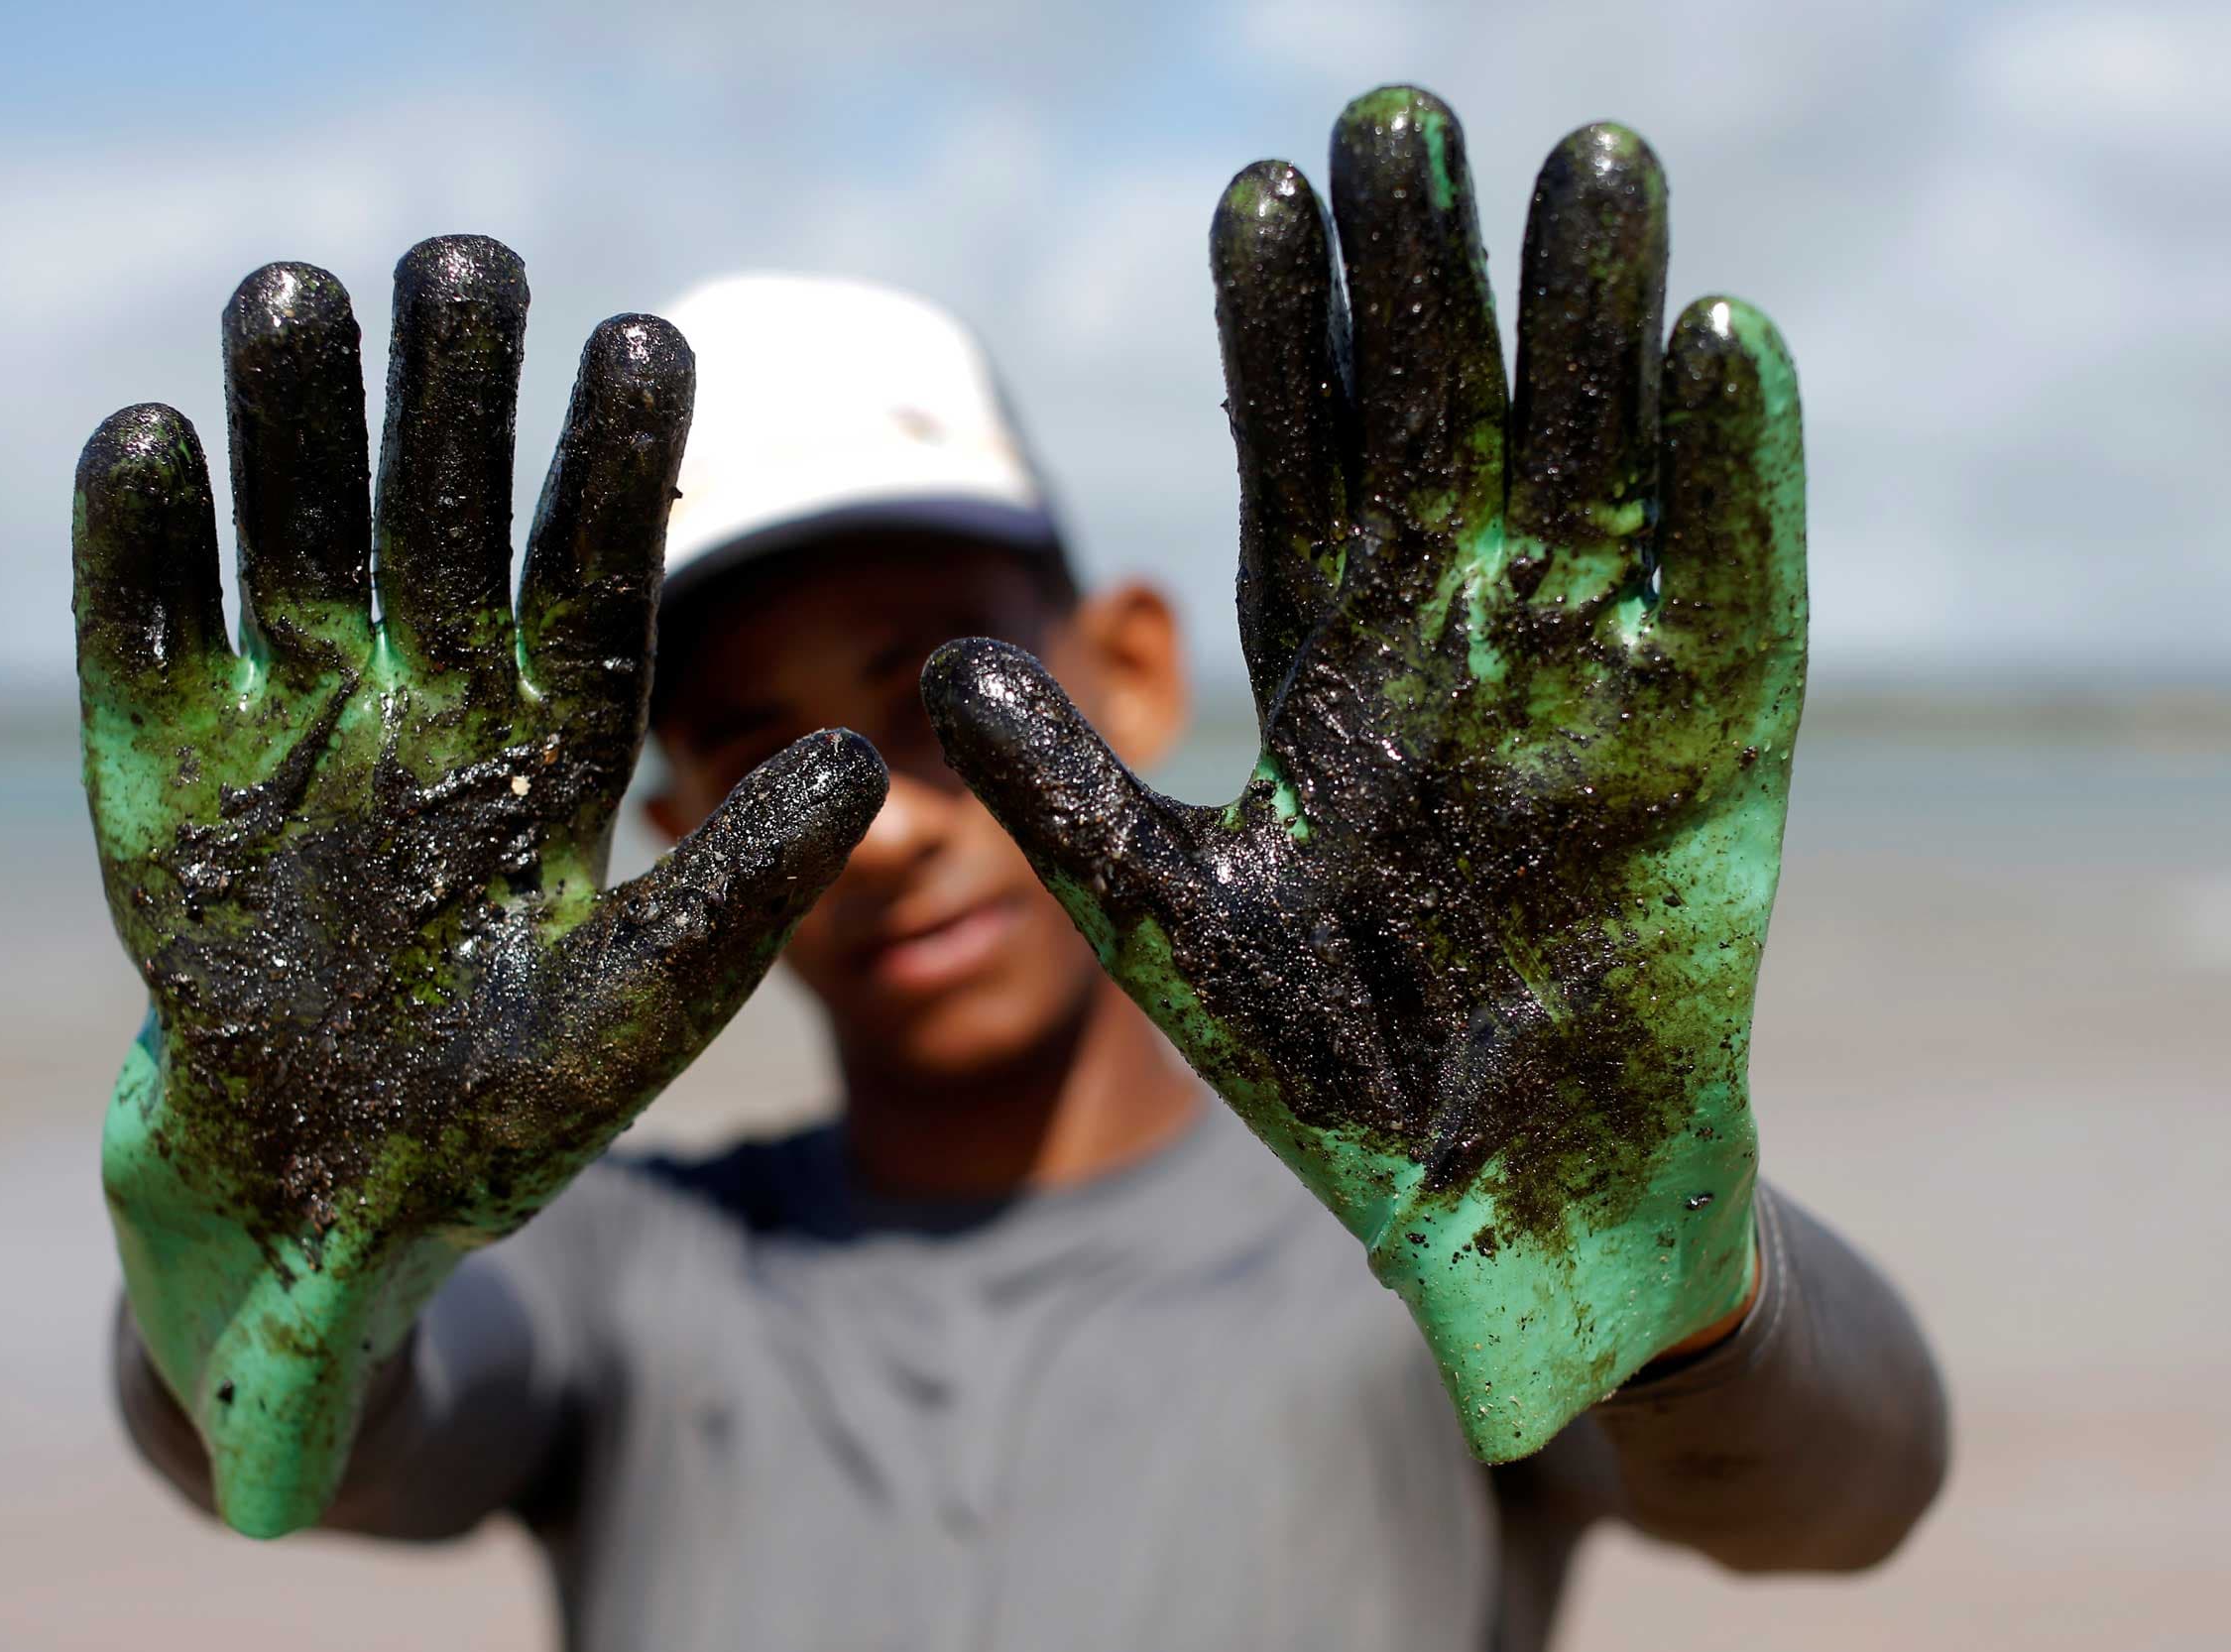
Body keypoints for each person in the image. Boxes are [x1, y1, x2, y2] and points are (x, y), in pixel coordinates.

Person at [98, 89, 1946, 1652]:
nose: (889, 825)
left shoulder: (1434, 1232)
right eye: (760, 754)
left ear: (1129, 666)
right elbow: (313, 1437)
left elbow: (1844, 1494)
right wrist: (282, 1237)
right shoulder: (631, 1274)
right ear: (669, 842)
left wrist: (1650, 1265)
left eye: (934, 696)